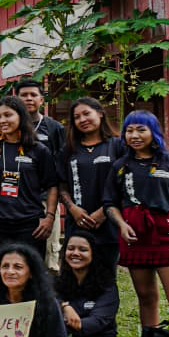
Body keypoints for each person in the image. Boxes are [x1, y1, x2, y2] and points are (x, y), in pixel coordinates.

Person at [105, 110, 169, 337]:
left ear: (153, 132)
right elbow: (110, 202)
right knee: (146, 295)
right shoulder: (120, 166)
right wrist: (121, 224)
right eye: (129, 130)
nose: (135, 135)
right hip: (134, 234)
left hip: (167, 233)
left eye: (141, 130)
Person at [0, 96, 58, 267]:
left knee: (28, 272)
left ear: (21, 116)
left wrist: (49, 217)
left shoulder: (38, 150)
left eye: (8, 115)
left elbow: (52, 186)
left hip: (30, 224)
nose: (2, 120)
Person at [57, 97, 123, 271]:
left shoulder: (117, 145)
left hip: (109, 224)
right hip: (78, 223)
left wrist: (104, 211)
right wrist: (73, 209)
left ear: (100, 113)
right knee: (75, 276)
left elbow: (125, 182)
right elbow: (61, 183)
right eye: (77, 117)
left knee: (106, 277)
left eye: (87, 113)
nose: (82, 120)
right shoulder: (69, 148)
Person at [56, 231, 129, 337]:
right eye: (71, 249)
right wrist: (65, 307)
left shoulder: (107, 285)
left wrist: (72, 323)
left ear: (93, 254)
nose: (75, 253)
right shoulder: (57, 282)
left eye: (82, 250)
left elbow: (98, 321)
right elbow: (49, 305)